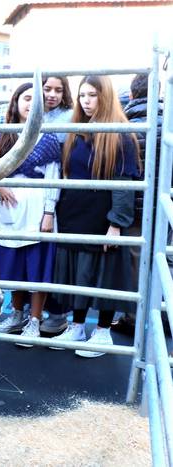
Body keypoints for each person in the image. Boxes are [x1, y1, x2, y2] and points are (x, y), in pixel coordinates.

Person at [49, 75, 140, 358]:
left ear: (106, 96)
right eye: (82, 95)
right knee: (77, 274)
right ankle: (76, 326)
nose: (86, 101)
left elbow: (124, 183)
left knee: (104, 276)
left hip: (102, 218)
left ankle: (102, 333)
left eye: (92, 95)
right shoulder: (78, 130)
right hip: (74, 214)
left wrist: (116, 224)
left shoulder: (121, 133)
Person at [0, 83, 61, 344]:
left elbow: (53, 175)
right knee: (14, 264)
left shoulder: (48, 138)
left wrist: (49, 212)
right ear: (16, 101)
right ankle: (17, 314)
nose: (31, 103)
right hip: (8, 209)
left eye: (36, 99)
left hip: (37, 208)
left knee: (37, 266)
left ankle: (35, 321)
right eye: (26, 98)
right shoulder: (1, 136)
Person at [112, 73, 165, 335]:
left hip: (136, 208)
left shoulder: (126, 128)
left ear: (132, 95)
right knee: (168, 262)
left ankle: (133, 318)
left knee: (135, 262)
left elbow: (122, 174)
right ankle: (166, 314)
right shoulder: (170, 125)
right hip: (167, 207)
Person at [37, 75, 75, 335]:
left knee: (58, 252)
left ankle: (58, 312)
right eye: (47, 88)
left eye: (58, 90)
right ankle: (32, 311)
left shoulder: (69, 116)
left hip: (63, 191)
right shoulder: (30, 111)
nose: (52, 94)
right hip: (32, 195)